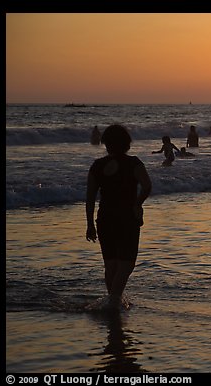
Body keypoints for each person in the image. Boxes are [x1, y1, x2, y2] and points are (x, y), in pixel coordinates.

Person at [85, 124, 152, 310]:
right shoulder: (133, 163)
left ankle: (112, 301)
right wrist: (137, 203)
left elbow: (90, 198)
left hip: (105, 217)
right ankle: (114, 301)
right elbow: (147, 186)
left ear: (106, 143)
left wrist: (90, 224)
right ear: (126, 143)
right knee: (127, 263)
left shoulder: (97, 166)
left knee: (111, 263)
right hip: (127, 217)